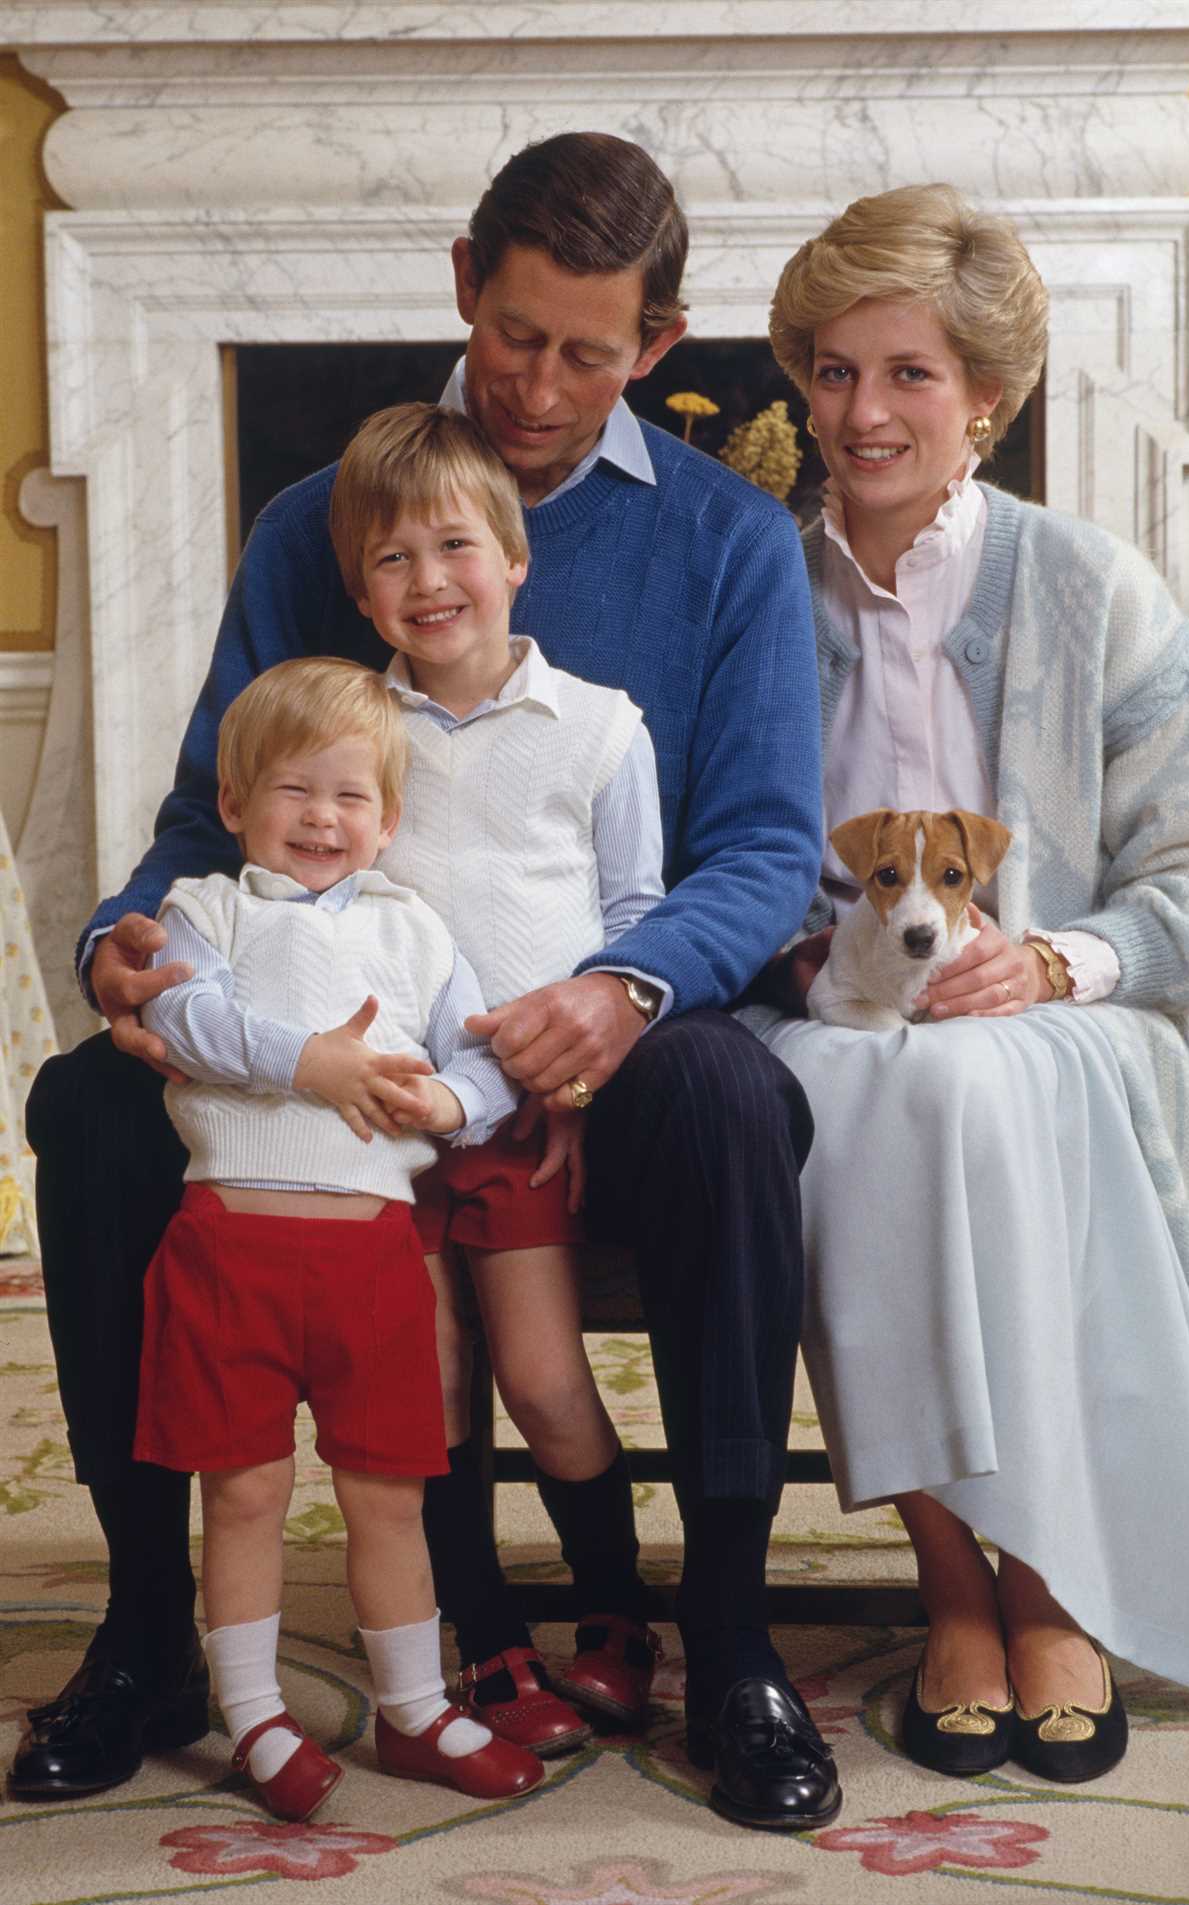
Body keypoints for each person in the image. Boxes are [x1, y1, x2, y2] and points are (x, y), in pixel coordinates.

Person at [16, 133, 835, 1832]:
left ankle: (730, 1630)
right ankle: (156, 1626)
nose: (537, 385)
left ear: (657, 347)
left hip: (624, 1016)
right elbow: (210, 805)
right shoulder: (328, 520)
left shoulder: (730, 542)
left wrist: (622, 992)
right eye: (513, 332)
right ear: (466, 282)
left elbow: (759, 852)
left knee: (740, 1097)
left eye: (586, 353)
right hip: (357, 1024)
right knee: (87, 1105)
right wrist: (124, 936)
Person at [738, 182, 1189, 1783]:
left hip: (1074, 1029)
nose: (864, 411)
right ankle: (957, 1576)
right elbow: (707, 857)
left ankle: (1049, 1581)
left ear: (988, 396)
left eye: (910, 373)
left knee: (964, 1076)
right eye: (834, 371)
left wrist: (1052, 957)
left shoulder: (1092, 586)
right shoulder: (757, 588)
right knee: (870, 1082)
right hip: (841, 1024)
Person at [132, 656, 544, 1819]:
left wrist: (449, 1107)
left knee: (388, 1495)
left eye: (349, 796)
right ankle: (254, 1714)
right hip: (232, 1253)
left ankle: (413, 1711)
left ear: (390, 818)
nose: (321, 817)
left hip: (370, 1262)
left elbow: (481, 1058)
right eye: (292, 792)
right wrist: (309, 1061)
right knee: (247, 1494)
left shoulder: (416, 929)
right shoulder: (201, 912)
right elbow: (185, 1015)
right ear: (233, 807)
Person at [328, 400, 665, 1757]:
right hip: (388, 1124)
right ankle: (490, 1640)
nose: (429, 583)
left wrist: (582, 1089)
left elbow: (640, 917)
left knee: (542, 1377)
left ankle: (617, 1613)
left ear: (516, 556)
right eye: (393, 562)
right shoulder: (357, 734)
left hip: (529, 1115)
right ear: (361, 589)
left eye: (455, 546)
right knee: (439, 1382)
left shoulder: (596, 728)